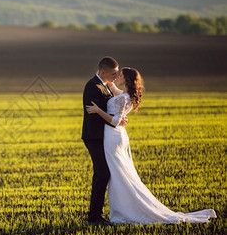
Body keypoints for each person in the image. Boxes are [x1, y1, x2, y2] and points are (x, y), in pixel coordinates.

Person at [86, 67, 217, 224]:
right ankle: (120, 208)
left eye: (119, 75)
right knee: (119, 173)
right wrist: (104, 76)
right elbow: (112, 90)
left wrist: (98, 110)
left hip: (113, 136)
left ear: (126, 79)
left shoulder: (123, 98)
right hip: (114, 136)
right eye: (115, 74)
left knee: (118, 174)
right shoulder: (124, 95)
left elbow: (114, 121)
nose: (117, 76)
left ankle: (124, 210)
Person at [81, 56, 126, 225]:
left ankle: (95, 215)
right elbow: (93, 115)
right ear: (102, 72)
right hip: (94, 137)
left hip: (104, 136)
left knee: (101, 174)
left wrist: (119, 119)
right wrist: (115, 121)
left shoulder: (106, 86)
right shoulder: (93, 86)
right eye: (114, 73)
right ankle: (94, 217)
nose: (116, 76)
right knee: (103, 174)